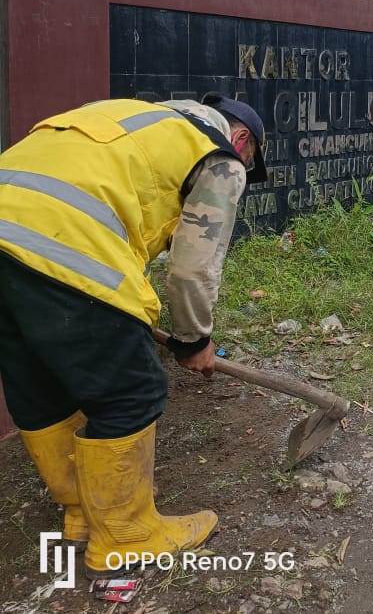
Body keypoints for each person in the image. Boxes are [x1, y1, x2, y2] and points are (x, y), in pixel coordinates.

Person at [0, 94, 267, 577]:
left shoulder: (135, 118)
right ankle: (126, 536)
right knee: (131, 391)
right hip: (61, 244)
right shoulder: (218, 155)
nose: (243, 169)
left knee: (39, 381)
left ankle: (82, 511)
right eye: (250, 160)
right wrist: (193, 340)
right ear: (241, 138)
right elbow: (192, 269)